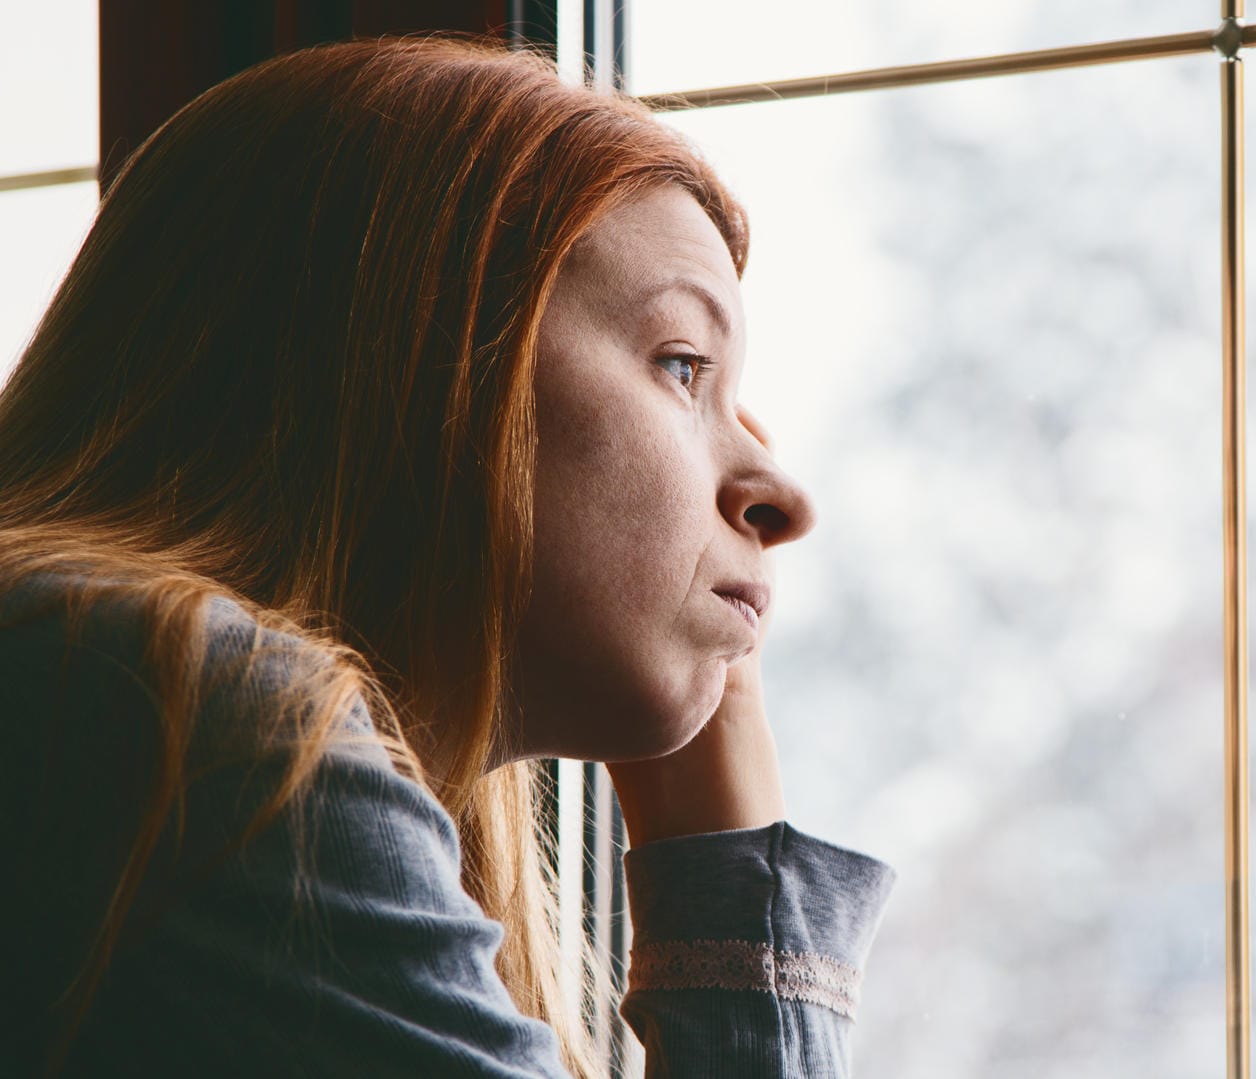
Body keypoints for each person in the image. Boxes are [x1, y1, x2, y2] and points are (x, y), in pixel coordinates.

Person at [0, 35, 895, 1078]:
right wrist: (733, 873)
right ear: (423, 359)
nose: (782, 496)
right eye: (682, 365)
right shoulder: (199, 719)